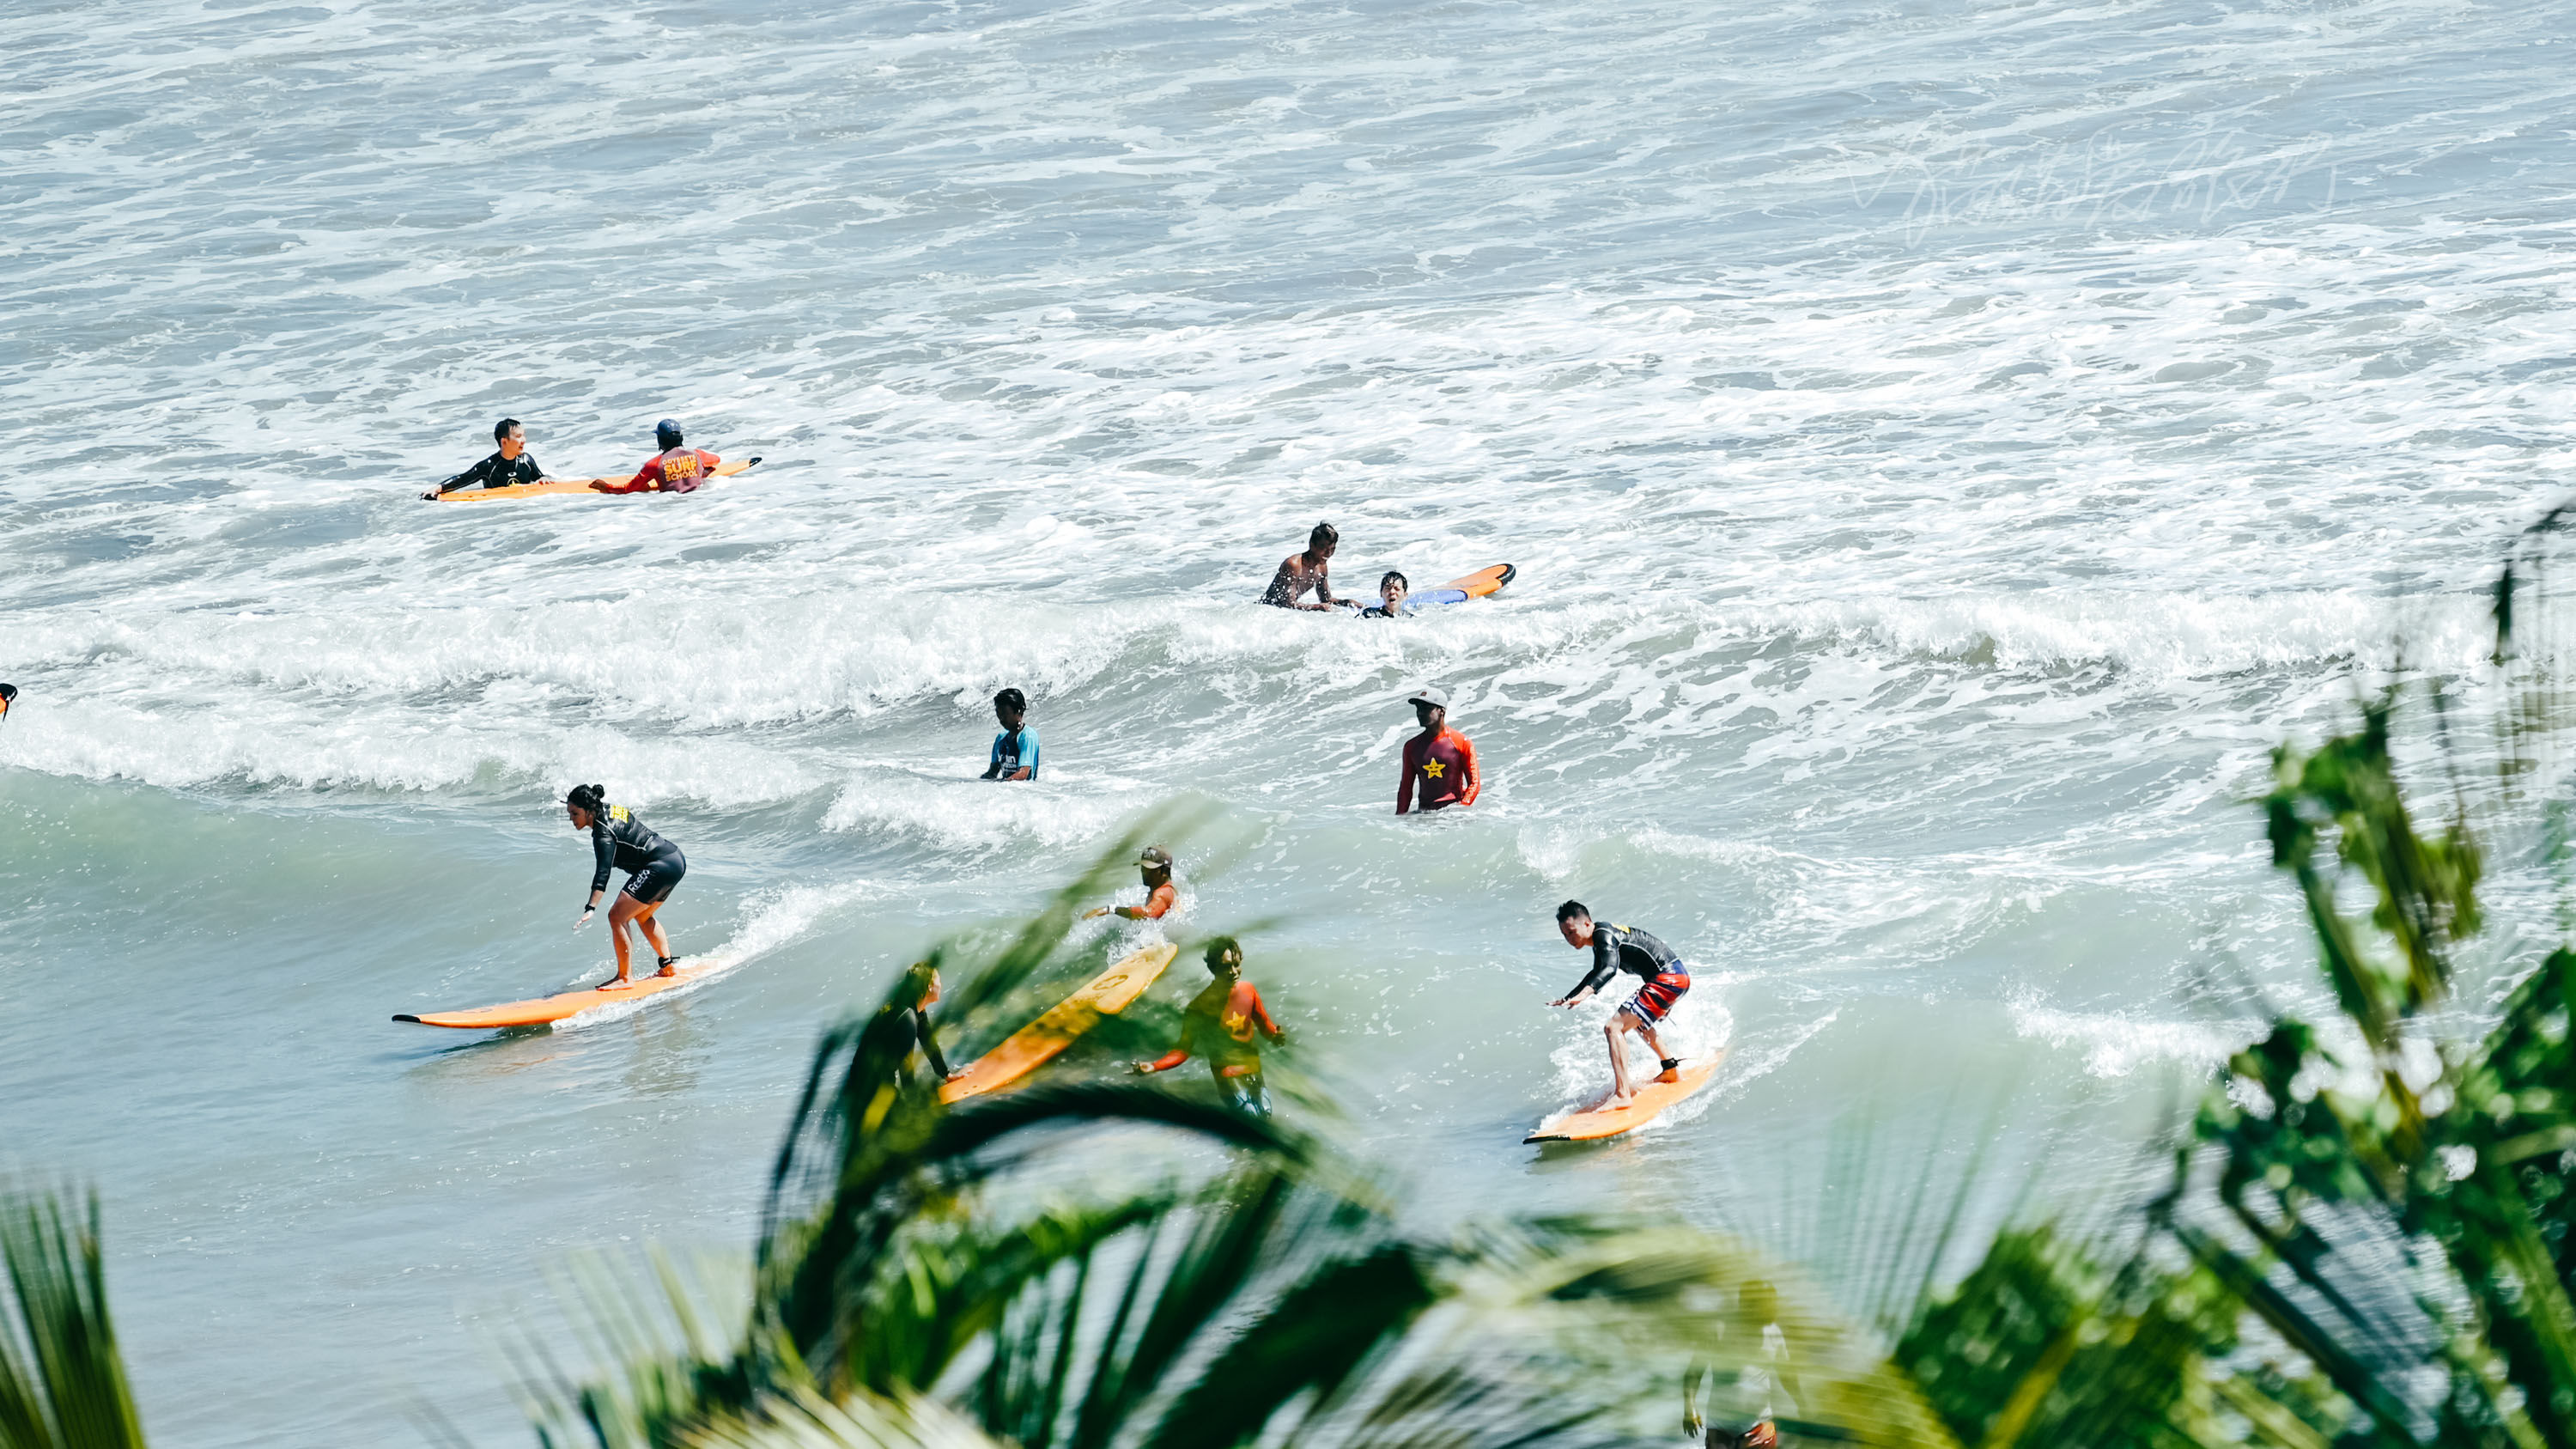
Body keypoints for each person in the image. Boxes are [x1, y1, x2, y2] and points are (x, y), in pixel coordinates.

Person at [1547, 901, 1689, 1104]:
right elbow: (1597, 971)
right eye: (1565, 935)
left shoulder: (1604, 936)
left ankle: (1623, 1095)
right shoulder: (1601, 937)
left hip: (1669, 978)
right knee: (1638, 1021)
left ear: (1587, 924)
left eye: (1571, 932)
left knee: (1613, 1028)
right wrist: (1570, 996)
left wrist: (1586, 993)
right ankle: (1670, 1069)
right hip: (1675, 977)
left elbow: (1609, 969)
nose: (1569, 939)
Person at [1133, 936, 1285, 1114]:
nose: (1234, 972)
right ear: (1212, 968)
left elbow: (1265, 1025)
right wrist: (1154, 1066)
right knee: (1254, 1123)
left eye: (1236, 964)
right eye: (1226, 966)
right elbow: (1182, 1051)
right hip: (1230, 1082)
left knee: (1266, 1116)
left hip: (1255, 1073)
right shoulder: (1199, 1007)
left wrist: (1275, 1036)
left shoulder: (1248, 991)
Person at [564, 783, 688, 989]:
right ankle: (667, 966)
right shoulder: (611, 809)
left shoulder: (602, 834)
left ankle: (625, 977)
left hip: (659, 865)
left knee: (616, 916)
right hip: (674, 858)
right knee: (642, 916)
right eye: (569, 813)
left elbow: (603, 872)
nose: (571, 819)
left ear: (589, 810)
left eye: (575, 813)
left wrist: (591, 908)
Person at [1396, 685, 1479, 814]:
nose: (1420, 712)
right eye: (1418, 708)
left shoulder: (1462, 742)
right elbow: (1406, 788)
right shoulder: (1411, 747)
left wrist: (1461, 809)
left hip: (1453, 812)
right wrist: (1399, 817)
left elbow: (1475, 784)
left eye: (1426, 708)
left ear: (1442, 711)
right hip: (1424, 813)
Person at [423, 417, 553, 498]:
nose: (524, 440)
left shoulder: (527, 460)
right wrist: (438, 488)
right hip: (498, 509)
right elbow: (463, 479)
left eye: (523, 435)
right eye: (518, 436)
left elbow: (539, 477)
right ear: (504, 441)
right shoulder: (489, 466)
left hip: (527, 506)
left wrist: (544, 479)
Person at [604, 419, 721, 495]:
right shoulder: (698, 455)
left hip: (674, 505)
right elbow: (716, 460)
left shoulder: (654, 465)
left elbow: (627, 489)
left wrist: (606, 487)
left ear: (660, 440)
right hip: (702, 499)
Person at [1262, 522, 1358, 611]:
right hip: (1265, 610)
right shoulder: (1294, 565)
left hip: (1279, 612)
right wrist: (1317, 607)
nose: (1328, 553)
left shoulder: (1322, 567)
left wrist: (1348, 603)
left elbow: (1326, 600)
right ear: (1312, 545)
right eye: (1323, 548)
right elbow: (1287, 603)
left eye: (1332, 549)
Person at [1084, 846, 1176, 921]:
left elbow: (1149, 912)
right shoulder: (1163, 890)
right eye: (1143, 867)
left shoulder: (1163, 892)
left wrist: (1111, 909)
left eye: (1149, 869)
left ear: (1164, 872)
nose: (1143, 872)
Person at [981, 688, 1039, 781]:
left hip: (1024, 791)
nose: (1001, 719)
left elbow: (1023, 773)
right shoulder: (1001, 738)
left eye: (1005, 714)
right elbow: (993, 771)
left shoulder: (1028, 736)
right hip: (1006, 791)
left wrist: (1001, 784)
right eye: (998, 713)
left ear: (1018, 711)